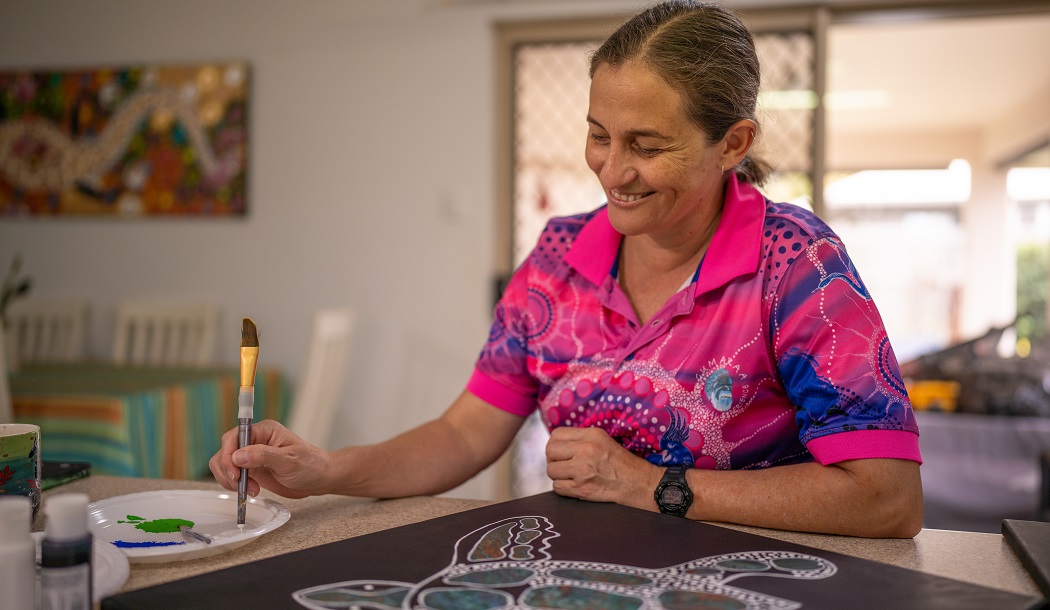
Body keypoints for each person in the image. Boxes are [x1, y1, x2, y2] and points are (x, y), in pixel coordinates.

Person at [210, 0, 923, 538]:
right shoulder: (557, 258)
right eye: (598, 135)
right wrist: (326, 471)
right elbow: (464, 434)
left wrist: (653, 485)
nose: (613, 171)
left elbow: (888, 497)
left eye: (646, 144)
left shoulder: (799, 267)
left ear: (732, 143)